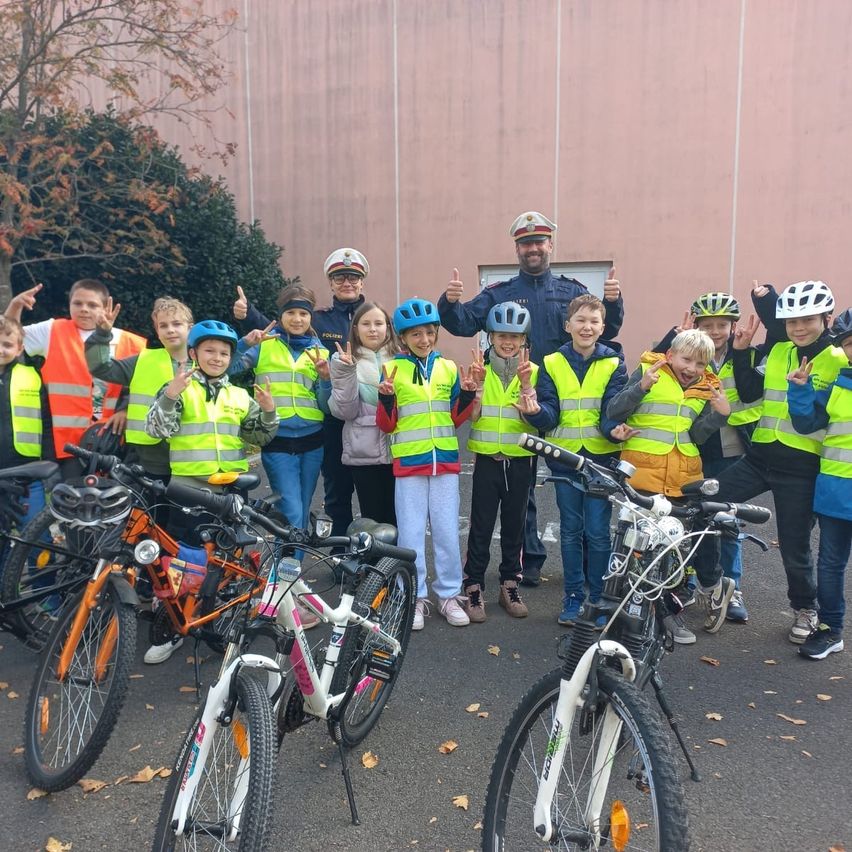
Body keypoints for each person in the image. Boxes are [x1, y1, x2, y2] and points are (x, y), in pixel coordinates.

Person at [437, 212, 624, 586]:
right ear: (517, 248)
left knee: (579, 486)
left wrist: (613, 302)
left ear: (550, 245)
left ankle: (586, 569)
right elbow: (462, 322)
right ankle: (528, 560)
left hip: (556, 402)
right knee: (522, 489)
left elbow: (605, 327)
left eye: (539, 241)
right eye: (525, 242)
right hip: (514, 398)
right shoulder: (500, 294)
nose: (533, 248)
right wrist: (449, 303)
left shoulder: (571, 291)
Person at [718, 280, 847, 645]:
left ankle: (805, 608)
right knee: (703, 502)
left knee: (794, 544)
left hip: (802, 465)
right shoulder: (778, 351)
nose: (799, 328)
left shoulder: (838, 359)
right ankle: (709, 584)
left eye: (807, 320)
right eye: (791, 322)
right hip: (760, 456)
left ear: (827, 318)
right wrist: (741, 353)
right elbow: (748, 392)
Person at [144, 319, 279, 663]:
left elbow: (258, 437)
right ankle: (173, 627)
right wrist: (171, 394)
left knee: (227, 560)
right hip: (189, 489)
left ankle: (219, 619)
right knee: (182, 560)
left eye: (223, 353)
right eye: (209, 351)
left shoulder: (238, 395)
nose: (217, 358)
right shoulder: (178, 387)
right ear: (194, 353)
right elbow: (158, 430)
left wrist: (267, 411)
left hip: (231, 489)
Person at [233, 247, 369, 538]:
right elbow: (275, 330)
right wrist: (246, 324)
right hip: (315, 427)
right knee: (325, 497)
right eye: (340, 278)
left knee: (361, 495)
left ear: (362, 282)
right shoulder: (317, 322)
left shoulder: (373, 319)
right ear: (331, 283)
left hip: (360, 423)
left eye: (353, 278)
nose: (347, 283)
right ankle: (313, 559)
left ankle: (354, 557)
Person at [607, 329, 734, 639]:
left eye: (700, 363)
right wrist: (640, 387)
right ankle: (626, 610)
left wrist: (720, 416)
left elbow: (697, 435)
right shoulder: (649, 371)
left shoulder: (707, 388)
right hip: (642, 475)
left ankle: (667, 614)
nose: (691, 368)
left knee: (673, 552)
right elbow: (614, 411)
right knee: (636, 547)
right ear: (671, 355)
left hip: (684, 477)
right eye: (686, 359)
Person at [520, 295, 631, 627]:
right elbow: (550, 413)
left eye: (594, 321)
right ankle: (573, 598)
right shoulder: (551, 362)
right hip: (565, 460)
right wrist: (536, 413)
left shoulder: (614, 363)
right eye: (581, 320)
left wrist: (616, 433)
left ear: (602, 327)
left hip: (601, 461)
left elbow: (613, 410)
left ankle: (597, 599)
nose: (587, 327)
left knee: (597, 532)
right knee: (570, 531)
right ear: (568, 326)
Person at [653, 292, 763, 623]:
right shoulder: (686, 353)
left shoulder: (746, 355)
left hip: (732, 452)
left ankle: (731, 587)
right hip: (694, 452)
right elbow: (657, 368)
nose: (715, 332)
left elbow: (752, 392)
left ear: (733, 326)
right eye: (707, 325)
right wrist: (673, 336)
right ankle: (686, 581)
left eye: (722, 325)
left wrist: (743, 352)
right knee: (689, 521)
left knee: (726, 523)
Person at [376, 298, 477, 630]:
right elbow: (387, 424)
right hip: (409, 465)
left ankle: (448, 595)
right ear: (403, 338)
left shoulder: (448, 367)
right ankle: (413, 596)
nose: (423, 339)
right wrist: (387, 397)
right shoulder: (392, 368)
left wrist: (466, 394)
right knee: (411, 535)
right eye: (415, 334)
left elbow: (455, 419)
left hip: (445, 462)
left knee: (448, 532)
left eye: (429, 332)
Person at [4, 281, 146, 479]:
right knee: (72, 502)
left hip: (115, 441)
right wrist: (15, 307)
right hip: (69, 445)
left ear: (106, 307)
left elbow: (145, 385)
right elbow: (8, 337)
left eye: (92, 305)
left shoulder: (132, 342)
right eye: (77, 303)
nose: (84, 309)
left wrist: (126, 409)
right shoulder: (51, 330)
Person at [461, 301, 539, 623]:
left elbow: (538, 420)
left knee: (514, 526)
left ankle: (509, 583)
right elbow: (472, 417)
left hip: (520, 461)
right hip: (487, 461)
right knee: (480, 526)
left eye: (515, 337)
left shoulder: (534, 372)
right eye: (502, 335)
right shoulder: (480, 369)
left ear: (525, 341)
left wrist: (526, 387)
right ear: (490, 337)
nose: (508, 342)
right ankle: (474, 585)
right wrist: (476, 389)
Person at [231, 285, 330, 535]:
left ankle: (290, 570)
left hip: (313, 442)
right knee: (292, 513)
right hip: (277, 439)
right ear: (281, 315)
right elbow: (226, 369)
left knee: (302, 512)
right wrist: (243, 344)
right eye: (291, 313)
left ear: (310, 317)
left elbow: (324, 404)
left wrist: (326, 380)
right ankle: (285, 573)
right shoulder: (264, 345)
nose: (297, 319)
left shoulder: (321, 351)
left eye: (303, 314)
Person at [787, 308, 852, 659]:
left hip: (836, 493)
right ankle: (830, 630)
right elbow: (807, 422)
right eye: (851, 343)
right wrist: (800, 390)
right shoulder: (840, 386)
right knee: (829, 565)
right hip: (836, 494)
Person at [86, 297, 194, 483]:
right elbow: (100, 367)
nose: (170, 330)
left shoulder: (206, 363)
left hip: (192, 460)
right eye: (163, 325)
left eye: (177, 324)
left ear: (190, 328)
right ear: (157, 331)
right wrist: (102, 334)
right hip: (149, 460)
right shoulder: (142, 361)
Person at [328, 302, 400, 526]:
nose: (373, 329)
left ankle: (397, 562)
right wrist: (345, 372)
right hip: (364, 454)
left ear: (388, 327)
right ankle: (375, 562)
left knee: (399, 516)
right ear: (355, 328)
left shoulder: (403, 358)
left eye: (379, 323)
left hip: (399, 449)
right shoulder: (345, 361)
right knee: (373, 518)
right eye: (366, 324)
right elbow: (344, 411)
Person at [0, 314, 54, 537]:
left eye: (7, 344)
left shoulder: (31, 376)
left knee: (37, 542)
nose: (1, 349)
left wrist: (50, 463)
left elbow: (47, 422)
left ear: (19, 348)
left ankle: (43, 574)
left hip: (28, 474)